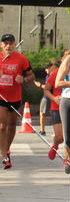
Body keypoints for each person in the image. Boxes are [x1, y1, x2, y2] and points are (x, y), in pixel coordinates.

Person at [0, 32, 35, 169]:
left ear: (14, 45)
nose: (8, 45)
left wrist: (24, 79)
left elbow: (31, 75)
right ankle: (4, 156)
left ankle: (6, 149)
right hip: (1, 96)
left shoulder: (21, 59)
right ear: (1, 45)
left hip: (15, 97)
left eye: (11, 43)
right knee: (2, 126)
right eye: (5, 43)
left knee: (12, 126)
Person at [43, 53, 69, 161]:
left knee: (69, 136)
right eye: (67, 56)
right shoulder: (55, 73)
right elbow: (46, 90)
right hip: (56, 107)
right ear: (63, 59)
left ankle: (67, 160)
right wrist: (54, 98)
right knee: (60, 137)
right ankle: (55, 144)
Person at [35, 62, 55, 134]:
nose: (45, 70)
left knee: (50, 114)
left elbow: (48, 87)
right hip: (47, 96)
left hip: (50, 96)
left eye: (46, 68)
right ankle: (42, 130)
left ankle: (44, 130)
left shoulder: (53, 75)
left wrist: (39, 85)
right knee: (42, 113)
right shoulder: (48, 75)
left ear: (51, 68)